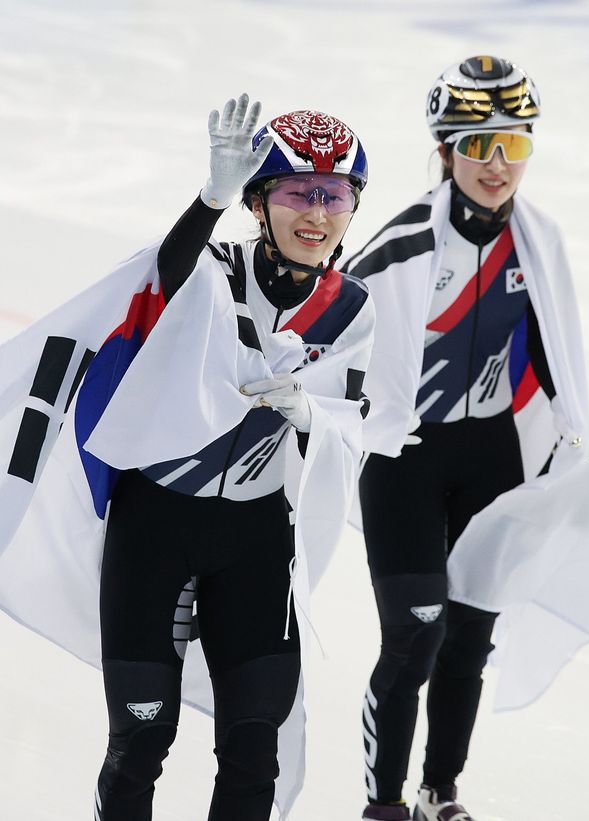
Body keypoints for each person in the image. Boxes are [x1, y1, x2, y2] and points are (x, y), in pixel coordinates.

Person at [0, 96, 374, 821]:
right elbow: (160, 281)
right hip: (156, 527)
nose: (318, 213)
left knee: (253, 749)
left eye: (337, 195)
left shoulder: (353, 306)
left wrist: (311, 416)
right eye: (299, 191)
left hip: (257, 540)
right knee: (141, 740)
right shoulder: (209, 269)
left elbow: (351, 428)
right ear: (260, 203)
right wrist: (208, 200)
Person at [344, 56, 589, 821]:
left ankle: (440, 795)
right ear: (445, 152)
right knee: (415, 638)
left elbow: (556, 352)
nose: (498, 166)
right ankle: (383, 803)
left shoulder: (538, 242)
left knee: (468, 641)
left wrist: (578, 443)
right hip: (407, 466)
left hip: (494, 459)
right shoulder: (397, 249)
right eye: (479, 145)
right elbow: (331, 344)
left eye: (514, 147)